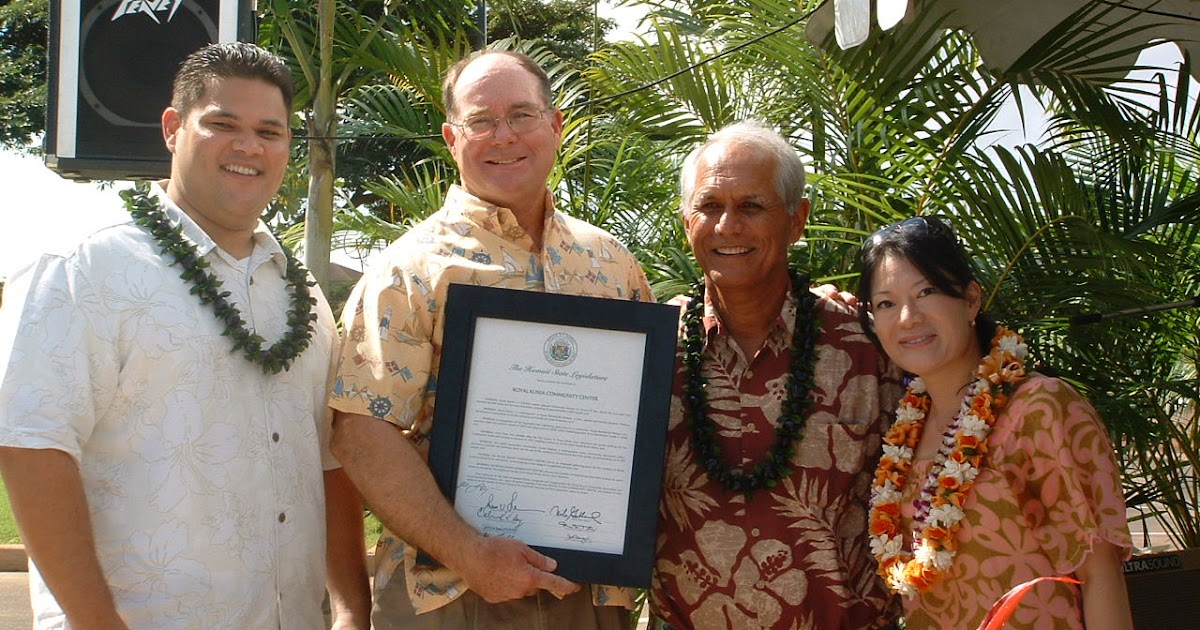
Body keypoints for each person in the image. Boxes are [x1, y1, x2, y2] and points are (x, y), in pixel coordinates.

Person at [0, 42, 370, 629]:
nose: (248, 146)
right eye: (223, 124)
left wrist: (351, 606)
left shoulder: (301, 293)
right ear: (173, 128)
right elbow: (32, 448)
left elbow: (327, 460)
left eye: (269, 132)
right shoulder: (83, 268)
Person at [328, 49, 653, 629]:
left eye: (522, 115)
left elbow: (646, 414)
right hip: (451, 595)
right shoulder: (408, 271)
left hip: (590, 593)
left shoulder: (612, 264)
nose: (504, 136)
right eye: (481, 121)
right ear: (452, 138)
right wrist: (468, 553)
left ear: (555, 125)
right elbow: (361, 432)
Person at [651, 120, 902, 629]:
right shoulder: (649, 350)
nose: (727, 226)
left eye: (751, 206)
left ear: (796, 220)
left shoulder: (867, 346)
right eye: (709, 206)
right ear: (685, 221)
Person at [855, 215, 1134, 629]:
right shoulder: (903, 432)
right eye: (886, 304)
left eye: (926, 291)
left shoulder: (1038, 409)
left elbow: (1100, 574)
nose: (908, 317)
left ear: (970, 299)